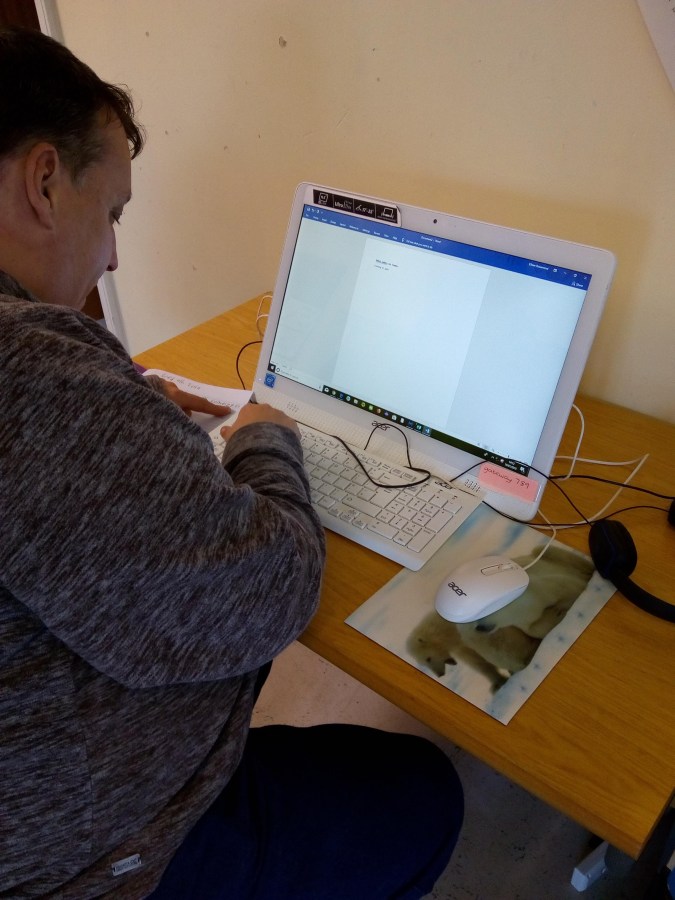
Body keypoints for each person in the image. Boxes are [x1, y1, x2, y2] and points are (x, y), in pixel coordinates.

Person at [0, 25, 464, 899]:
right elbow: (270, 591)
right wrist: (265, 435)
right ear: (45, 182)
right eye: (113, 214)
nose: (111, 256)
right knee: (424, 794)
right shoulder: (27, 369)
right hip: (94, 864)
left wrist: (123, 417)